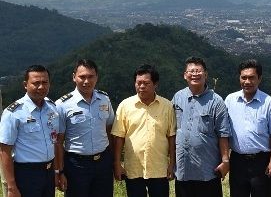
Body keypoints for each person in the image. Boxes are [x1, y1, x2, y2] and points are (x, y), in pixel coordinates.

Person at [112, 64, 176, 197]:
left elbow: (171, 137)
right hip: (134, 168)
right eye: (138, 83)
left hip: (159, 168)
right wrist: (117, 163)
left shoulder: (167, 106)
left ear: (155, 84)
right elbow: (119, 137)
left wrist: (172, 164)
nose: (141, 86)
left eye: (146, 83)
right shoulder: (125, 105)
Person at [54, 59, 115, 197]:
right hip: (76, 165)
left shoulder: (104, 99)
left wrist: (112, 160)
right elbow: (58, 141)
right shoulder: (63, 104)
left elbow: (110, 130)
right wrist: (59, 171)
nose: (86, 81)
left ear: (96, 77)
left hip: (103, 163)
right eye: (82, 77)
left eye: (90, 76)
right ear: (74, 77)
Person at [172, 57, 231, 197]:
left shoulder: (216, 101)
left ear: (206, 74)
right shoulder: (178, 97)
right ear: (185, 75)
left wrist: (225, 161)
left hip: (207, 170)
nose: (195, 74)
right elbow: (171, 130)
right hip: (183, 169)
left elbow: (223, 134)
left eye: (198, 71)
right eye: (191, 71)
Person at [0, 64, 59, 197]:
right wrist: (11, 186)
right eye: (36, 83)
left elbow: (54, 141)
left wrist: (56, 172)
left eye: (45, 82)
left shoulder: (52, 108)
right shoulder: (14, 112)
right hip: (26, 174)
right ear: (25, 85)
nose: (41, 87)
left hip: (48, 172)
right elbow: (4, 150)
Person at [225, 59, 271, 197]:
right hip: (237, 160)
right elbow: (223, 132)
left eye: (251, 78)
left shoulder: (269, 102)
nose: (247, 81)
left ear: (259, 79)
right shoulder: (230, 100)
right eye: (244, 77)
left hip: (261, 161)